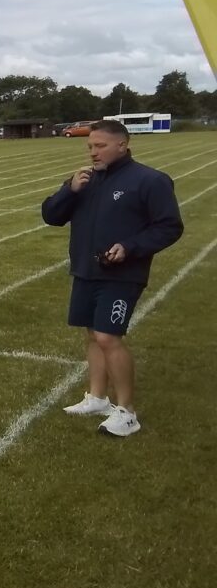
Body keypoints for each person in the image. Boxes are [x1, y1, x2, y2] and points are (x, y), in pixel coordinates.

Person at [42, 119, 184, 437]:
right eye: (90, 146)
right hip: (85, 270)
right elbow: (51, 215)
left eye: (100, 146)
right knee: (92, 334)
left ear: (122, 144)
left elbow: (169, 226)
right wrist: (70, 189)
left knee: (108, 337)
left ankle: (127, 412)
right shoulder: (84, 180)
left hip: (123, 274)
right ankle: (96, 397)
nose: (93, 152)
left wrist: (130, 247)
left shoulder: (150, 180)